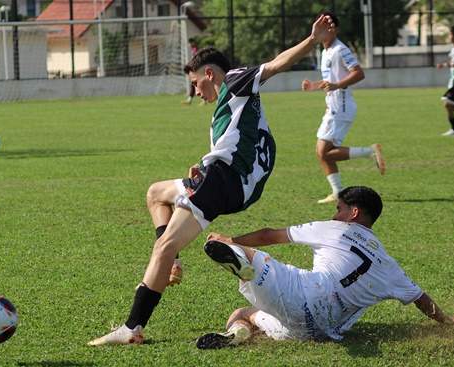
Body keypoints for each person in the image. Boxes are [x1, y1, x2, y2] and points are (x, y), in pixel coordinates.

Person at [88, 15, 339, 346]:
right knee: (156, 194)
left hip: (227, 181)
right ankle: (172, 264)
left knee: (163, 246)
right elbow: (240, 145)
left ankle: (133, 327)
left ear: (210, 73)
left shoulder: (235, 80)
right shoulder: (233, 104)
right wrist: (204, 171)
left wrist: (312, 40)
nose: (194, 90)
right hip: (228, 182)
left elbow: (276, 65)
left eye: (195, 82)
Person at [195, 186, 454, 349]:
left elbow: (270, 234)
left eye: (339, 209)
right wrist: (446, 321)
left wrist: (230, 239)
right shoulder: (387, 263)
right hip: (318, 330)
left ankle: (237, 256)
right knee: (244, 313)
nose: (335, 215)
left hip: (306, 292)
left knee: (249, 256)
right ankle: (238, 333)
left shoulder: (336, 228)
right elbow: (420, 297)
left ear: (354, 213)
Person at [301, 12, 384, 205]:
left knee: (322, 152)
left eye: (329, 27)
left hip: (341, 107)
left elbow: (359, 73)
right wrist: (314, 85)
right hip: (334, 107)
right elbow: (331, 80)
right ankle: (338, 192)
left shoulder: (340, 50)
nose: (325, 31)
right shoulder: (325, 51)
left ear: (335, 29)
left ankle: (369, 152)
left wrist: (338, 86)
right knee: (324, 153)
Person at [181, 38, 206, 106]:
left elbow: (197, 60)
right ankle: (191, 100)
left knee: (196, 84)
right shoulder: (194, 49)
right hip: (197, 69)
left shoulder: (195, 50)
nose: (189, 45)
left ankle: (203, 100)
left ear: (192, 43)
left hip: (198, 69)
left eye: (189, 43)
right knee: (194, 84)